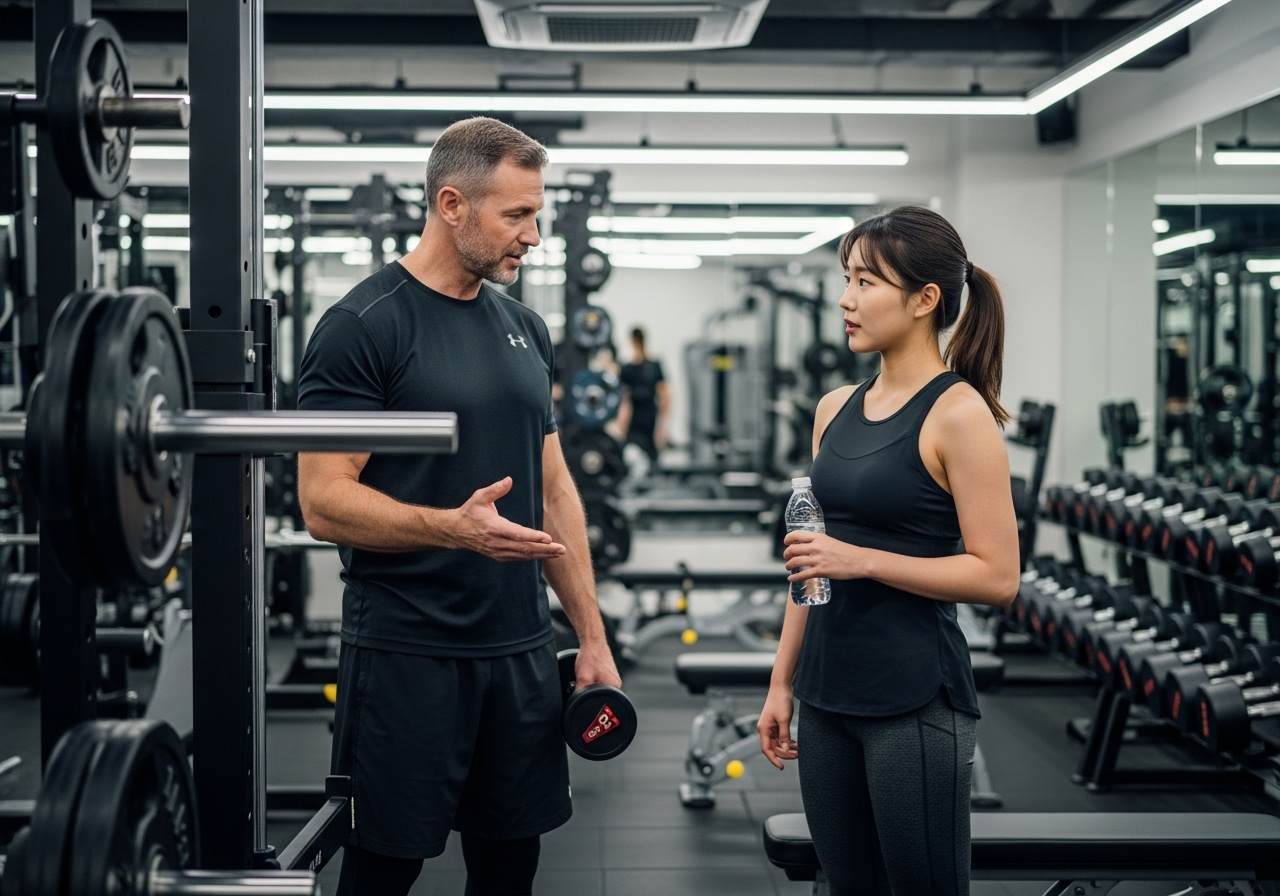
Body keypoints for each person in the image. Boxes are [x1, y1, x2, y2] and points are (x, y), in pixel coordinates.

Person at [296, 116, 621, 896]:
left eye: (538, 214)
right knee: (383, 866)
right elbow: (323, 501)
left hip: (519, 652)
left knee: (511, 866)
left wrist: (592, 636)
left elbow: (554, 490)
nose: (534, 236)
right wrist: (453, 530)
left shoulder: (525, 328)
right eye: (516, 215)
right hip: (409, 652)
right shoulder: (363, 325)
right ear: (451, 204)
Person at [756, 205, 1020, 896]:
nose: (846, 299)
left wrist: (862, 561)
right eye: (847, 278)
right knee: (847, 888)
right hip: (825, 692)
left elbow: (997, 577)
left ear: (925, 299)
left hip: (912, 700)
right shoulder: (833, 406)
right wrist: (782, 680)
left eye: (867, 282)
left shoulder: (960, 415)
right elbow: (809, 563)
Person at [615, 327, 670, 461]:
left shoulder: (653, 366)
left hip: (650, 419)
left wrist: (662, 427)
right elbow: (624, 401)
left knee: (652, 458)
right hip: (634, 421)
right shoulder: (627, 369)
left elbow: (665, 396)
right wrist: (621, 428)